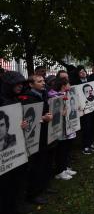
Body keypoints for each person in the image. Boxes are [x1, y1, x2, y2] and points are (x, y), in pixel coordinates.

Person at [0, 71, 30, 214]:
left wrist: (22, 124)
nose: (20, 86)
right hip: (3, 156)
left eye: (21, 84)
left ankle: (12, 210)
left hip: (15, 150)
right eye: (17, 84)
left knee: (15, 182)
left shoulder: (14, 99)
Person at [21, 74, 54, 206]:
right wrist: (43, 118)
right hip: (34, 137)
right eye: (39, 81)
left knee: (43, 162)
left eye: (43, 81)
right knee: (35, 165)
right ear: (31, 84)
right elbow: (28, 118)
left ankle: (42, 187)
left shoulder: (43, 93)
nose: (43, 83)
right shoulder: (27, 98)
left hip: (44, 134)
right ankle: (32, 194)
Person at [48, 78, 77, 181]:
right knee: (61, 150)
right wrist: (62, 112)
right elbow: (55, 112)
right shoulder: (54, 96)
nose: (70, 85)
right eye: (68, 83)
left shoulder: (65, 94)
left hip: (68, 127)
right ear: (63, 86)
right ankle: (59, 171)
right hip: (60, 129)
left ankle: (64, 168)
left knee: (66, 149)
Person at [71, 66, 94, 155]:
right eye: (81, 71)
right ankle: (85, 145)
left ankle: (90, 143)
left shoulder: (90, 81)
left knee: (92, 126)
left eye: (84, 71)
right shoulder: (75, 83)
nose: (83, 73)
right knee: (86, 126)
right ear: (77, 73)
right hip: (83, 109)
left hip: (92, 107)